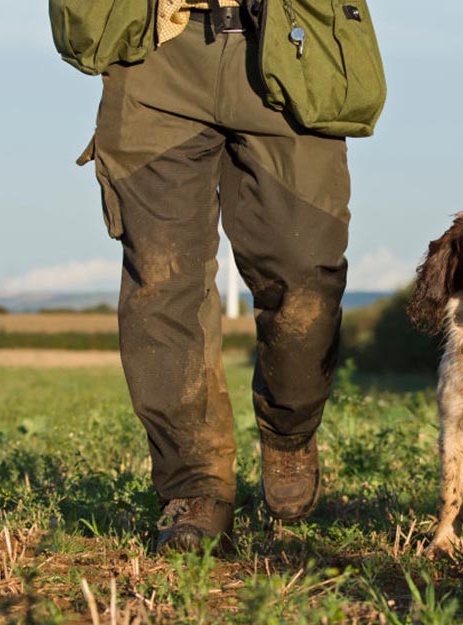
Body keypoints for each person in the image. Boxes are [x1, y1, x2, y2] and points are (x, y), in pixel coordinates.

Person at [78, 0, 352, 552]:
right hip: (156, 49)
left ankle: (289, 425)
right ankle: (195, 488)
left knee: (305, 271)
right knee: (161, 281)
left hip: (288, 42)